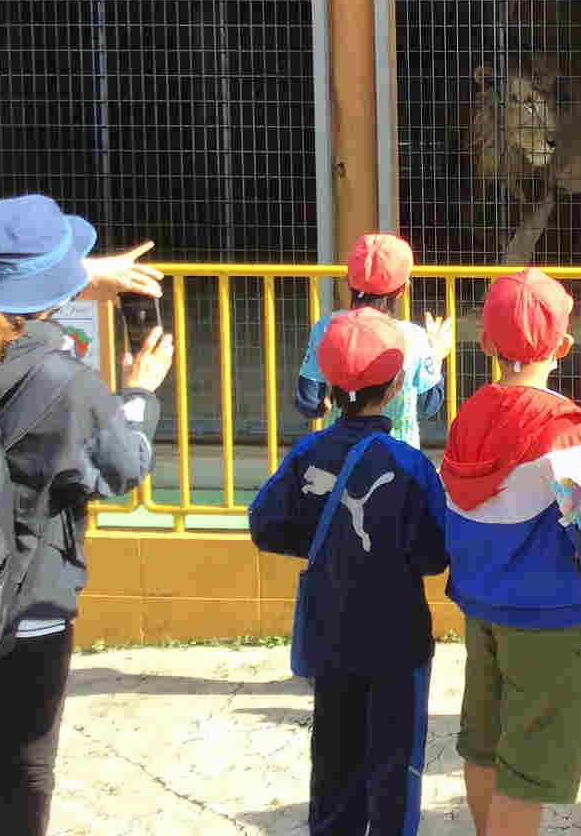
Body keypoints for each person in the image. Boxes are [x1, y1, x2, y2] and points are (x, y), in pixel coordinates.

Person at [0, 194, 172, 836]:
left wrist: (78, 273)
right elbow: (125, 469)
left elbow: (0, 309)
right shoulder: (69, 382)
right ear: (51, 289)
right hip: (30, 602)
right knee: (29, 766)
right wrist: (140, 391)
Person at [250, 307, 449, 836]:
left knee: (333, 762)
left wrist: (327, 544)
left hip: (329, 635)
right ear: (398, 383)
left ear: (330, 383)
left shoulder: (307, 451)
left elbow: (265, 526)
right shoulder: (409, 465)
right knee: (394, 768)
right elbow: (434, 555)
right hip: (396, 641)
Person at [439, 268, 581, 836]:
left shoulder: (469, 414)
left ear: (485, 343)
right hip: (548, 617)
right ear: (563, 345)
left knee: (482, 741)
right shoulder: (565, 429)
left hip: (481, 603)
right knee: (528, 769)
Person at [295, 232, 454, 447]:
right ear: (403, 289)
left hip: (338, 457)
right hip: (397, 461)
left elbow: (310, 403)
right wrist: (436, 354)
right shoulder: (414, 338)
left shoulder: (325, 328)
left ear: (348, 280)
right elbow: (427, 406)